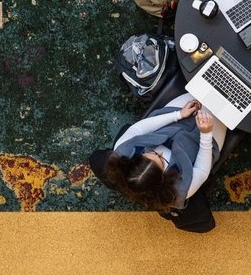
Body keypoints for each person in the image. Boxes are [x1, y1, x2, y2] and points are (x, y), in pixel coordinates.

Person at [89, 94, 226, 227]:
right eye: (161, 159)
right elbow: (201, 171)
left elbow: (138, 128)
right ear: (163, 179)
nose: (160, 153)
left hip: (174, 124)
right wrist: (206, 134)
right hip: (201, 142)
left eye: (152, 153)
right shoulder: (177, 191)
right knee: (224, 105)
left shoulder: (123, 151)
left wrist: (179, 114)